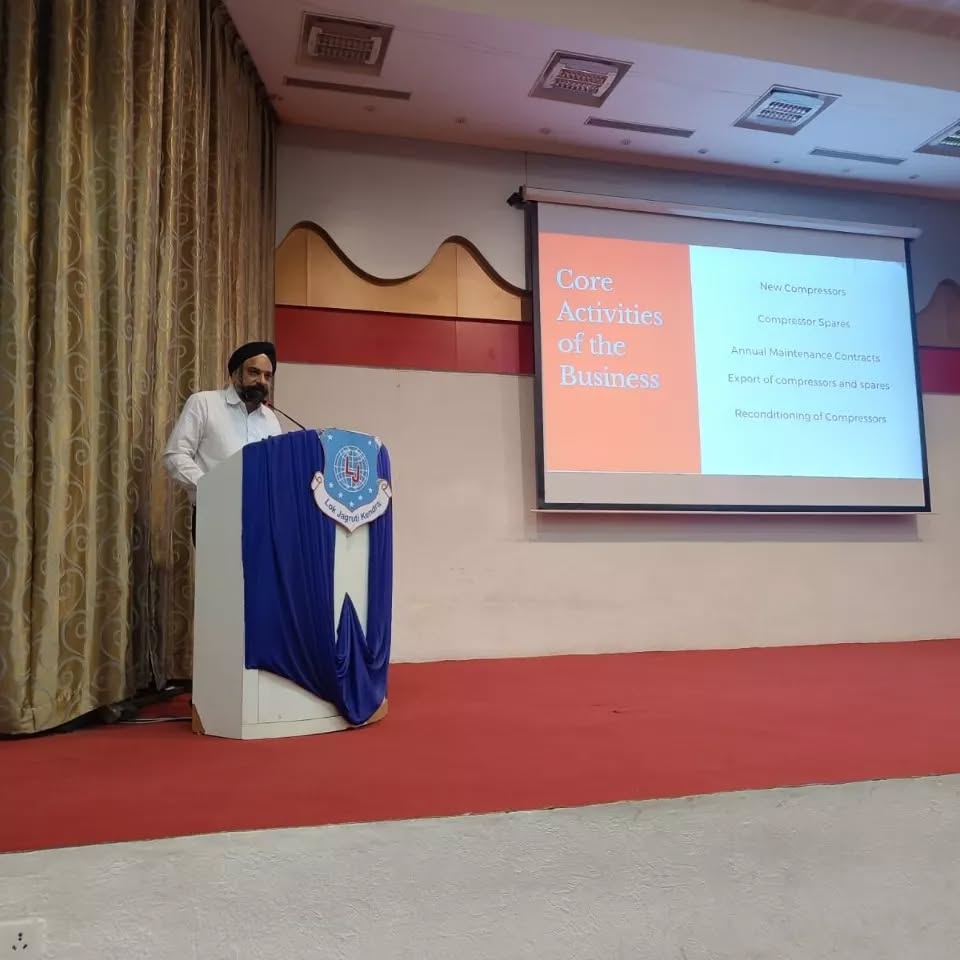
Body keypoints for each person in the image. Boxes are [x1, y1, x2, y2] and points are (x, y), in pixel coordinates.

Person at [163, 341, 282, 543]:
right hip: (215, 515)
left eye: (267, 376)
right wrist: (211, 487)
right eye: (254, 372)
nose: (261, 381)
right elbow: (175, 455)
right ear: (235, 375)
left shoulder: (271, 419)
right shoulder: (204, 403)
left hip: (260, 520)